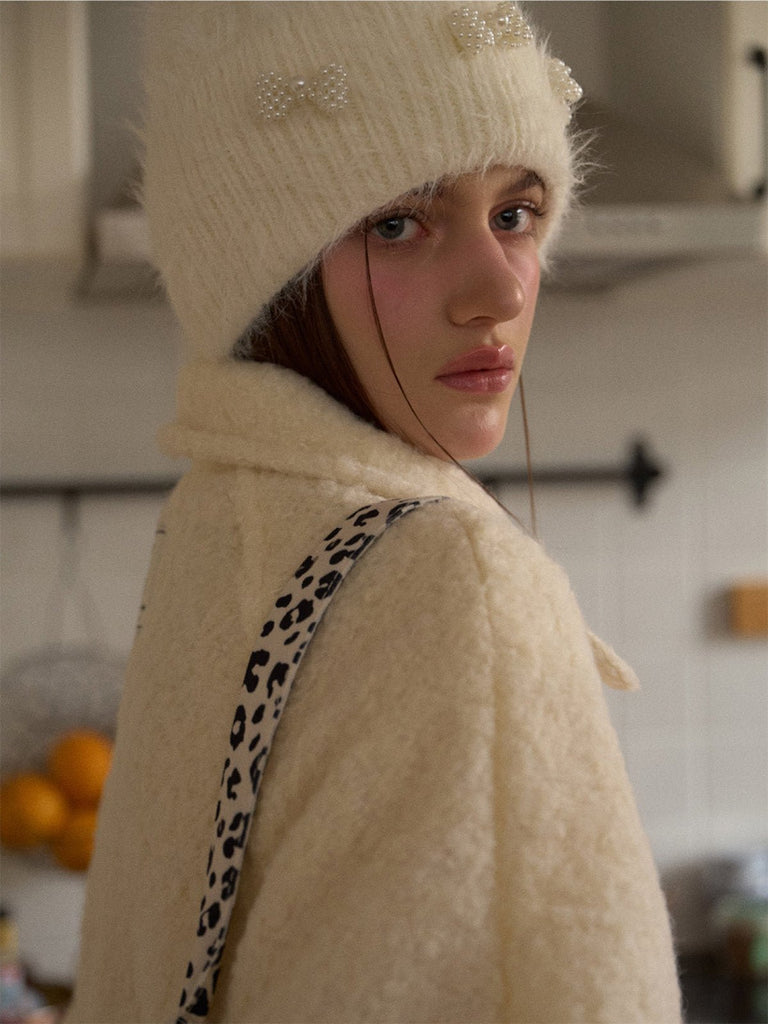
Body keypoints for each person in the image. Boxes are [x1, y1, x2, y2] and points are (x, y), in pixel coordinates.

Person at [67, 3, 682, 1022]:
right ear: (273, 279)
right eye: (399, 223)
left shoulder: (225, 510)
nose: (499, 289)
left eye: (516, 214)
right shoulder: (452, 581)